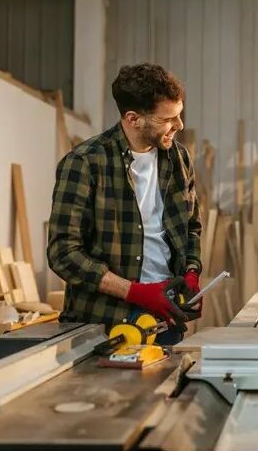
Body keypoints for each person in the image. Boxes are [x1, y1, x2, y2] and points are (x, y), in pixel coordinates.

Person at [47, 63, 202, 344]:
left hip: (164, 322)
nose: (179, 126)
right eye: (168, 119)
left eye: (179, 115)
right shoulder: (85, 163)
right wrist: (134, 292)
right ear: (133, 119)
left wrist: (191, 273)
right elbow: (63, 253)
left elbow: (191, 227)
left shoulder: (180, 160)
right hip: (102, 325)